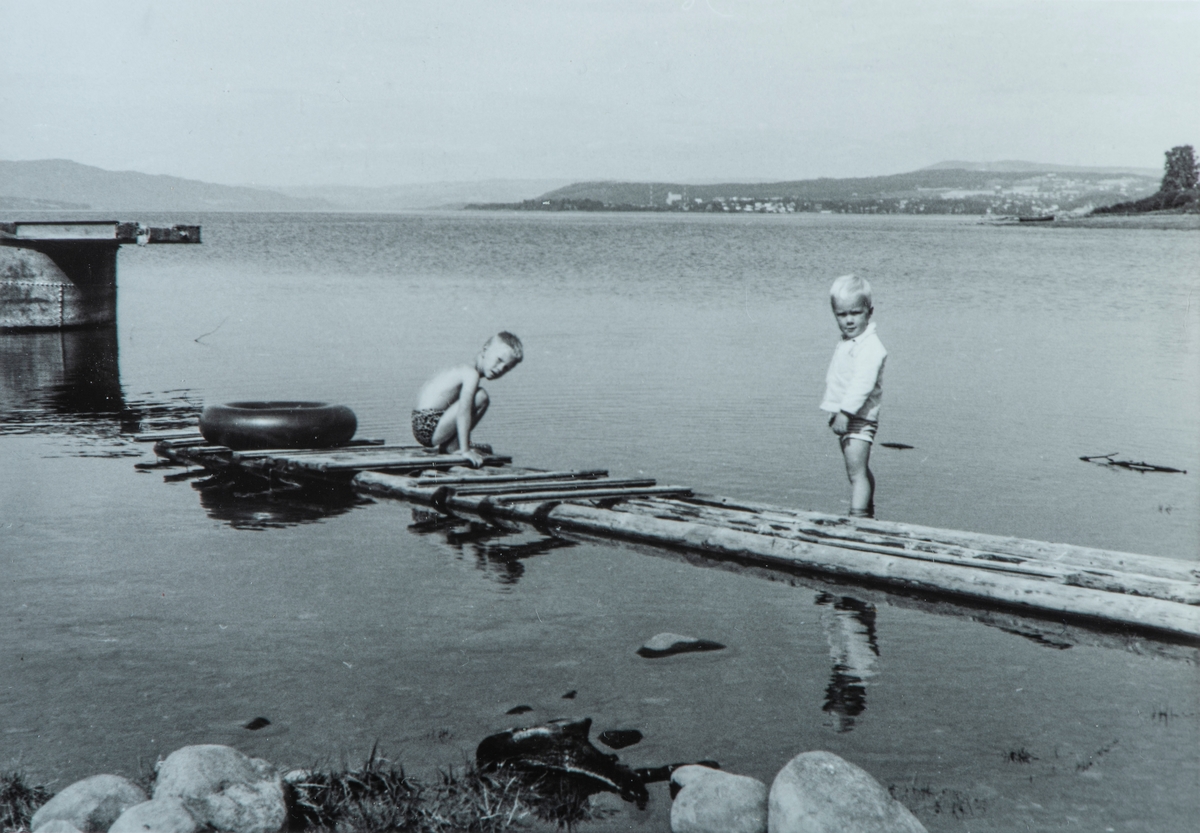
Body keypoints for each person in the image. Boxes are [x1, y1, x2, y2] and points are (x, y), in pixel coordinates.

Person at [820, 275, 887, 518]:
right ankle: (868, 511)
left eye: (855, 313)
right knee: (859, 469)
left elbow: (862, 384)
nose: (849, 320)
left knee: (856, 474)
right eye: (842, 314)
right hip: (850, 417)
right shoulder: (853, 341)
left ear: (869, 312)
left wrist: (845, 413)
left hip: (858, 418)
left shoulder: (870, 347)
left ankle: (857, 520)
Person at [412, 331, 523, 467]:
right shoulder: (471, 374)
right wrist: (466, 451)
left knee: (476, 396)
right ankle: (457, 448)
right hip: (427, 427)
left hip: (423, 423)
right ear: (485, 349)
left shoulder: (463, 368)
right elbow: (463, 411)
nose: (500, 369)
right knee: (481, 397)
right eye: (499, 360)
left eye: (506, 368)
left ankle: (454, 446)